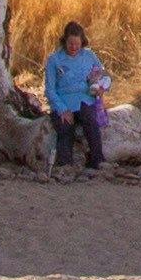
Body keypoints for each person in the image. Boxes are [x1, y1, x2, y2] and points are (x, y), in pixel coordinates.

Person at [41, 20, 109, 170]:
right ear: (64, 41)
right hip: (63, 101)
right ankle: (65, 165)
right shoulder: (54, 60)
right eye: (70, 44)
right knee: (65, 127)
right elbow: (50, 89)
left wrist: (102, 87)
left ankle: (97, 160)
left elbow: (104, 76)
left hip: (85, 99)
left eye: (77, 44)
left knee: (90, 121)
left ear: (82, 42)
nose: (74, 47)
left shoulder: (89, 55)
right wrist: (62, 109)